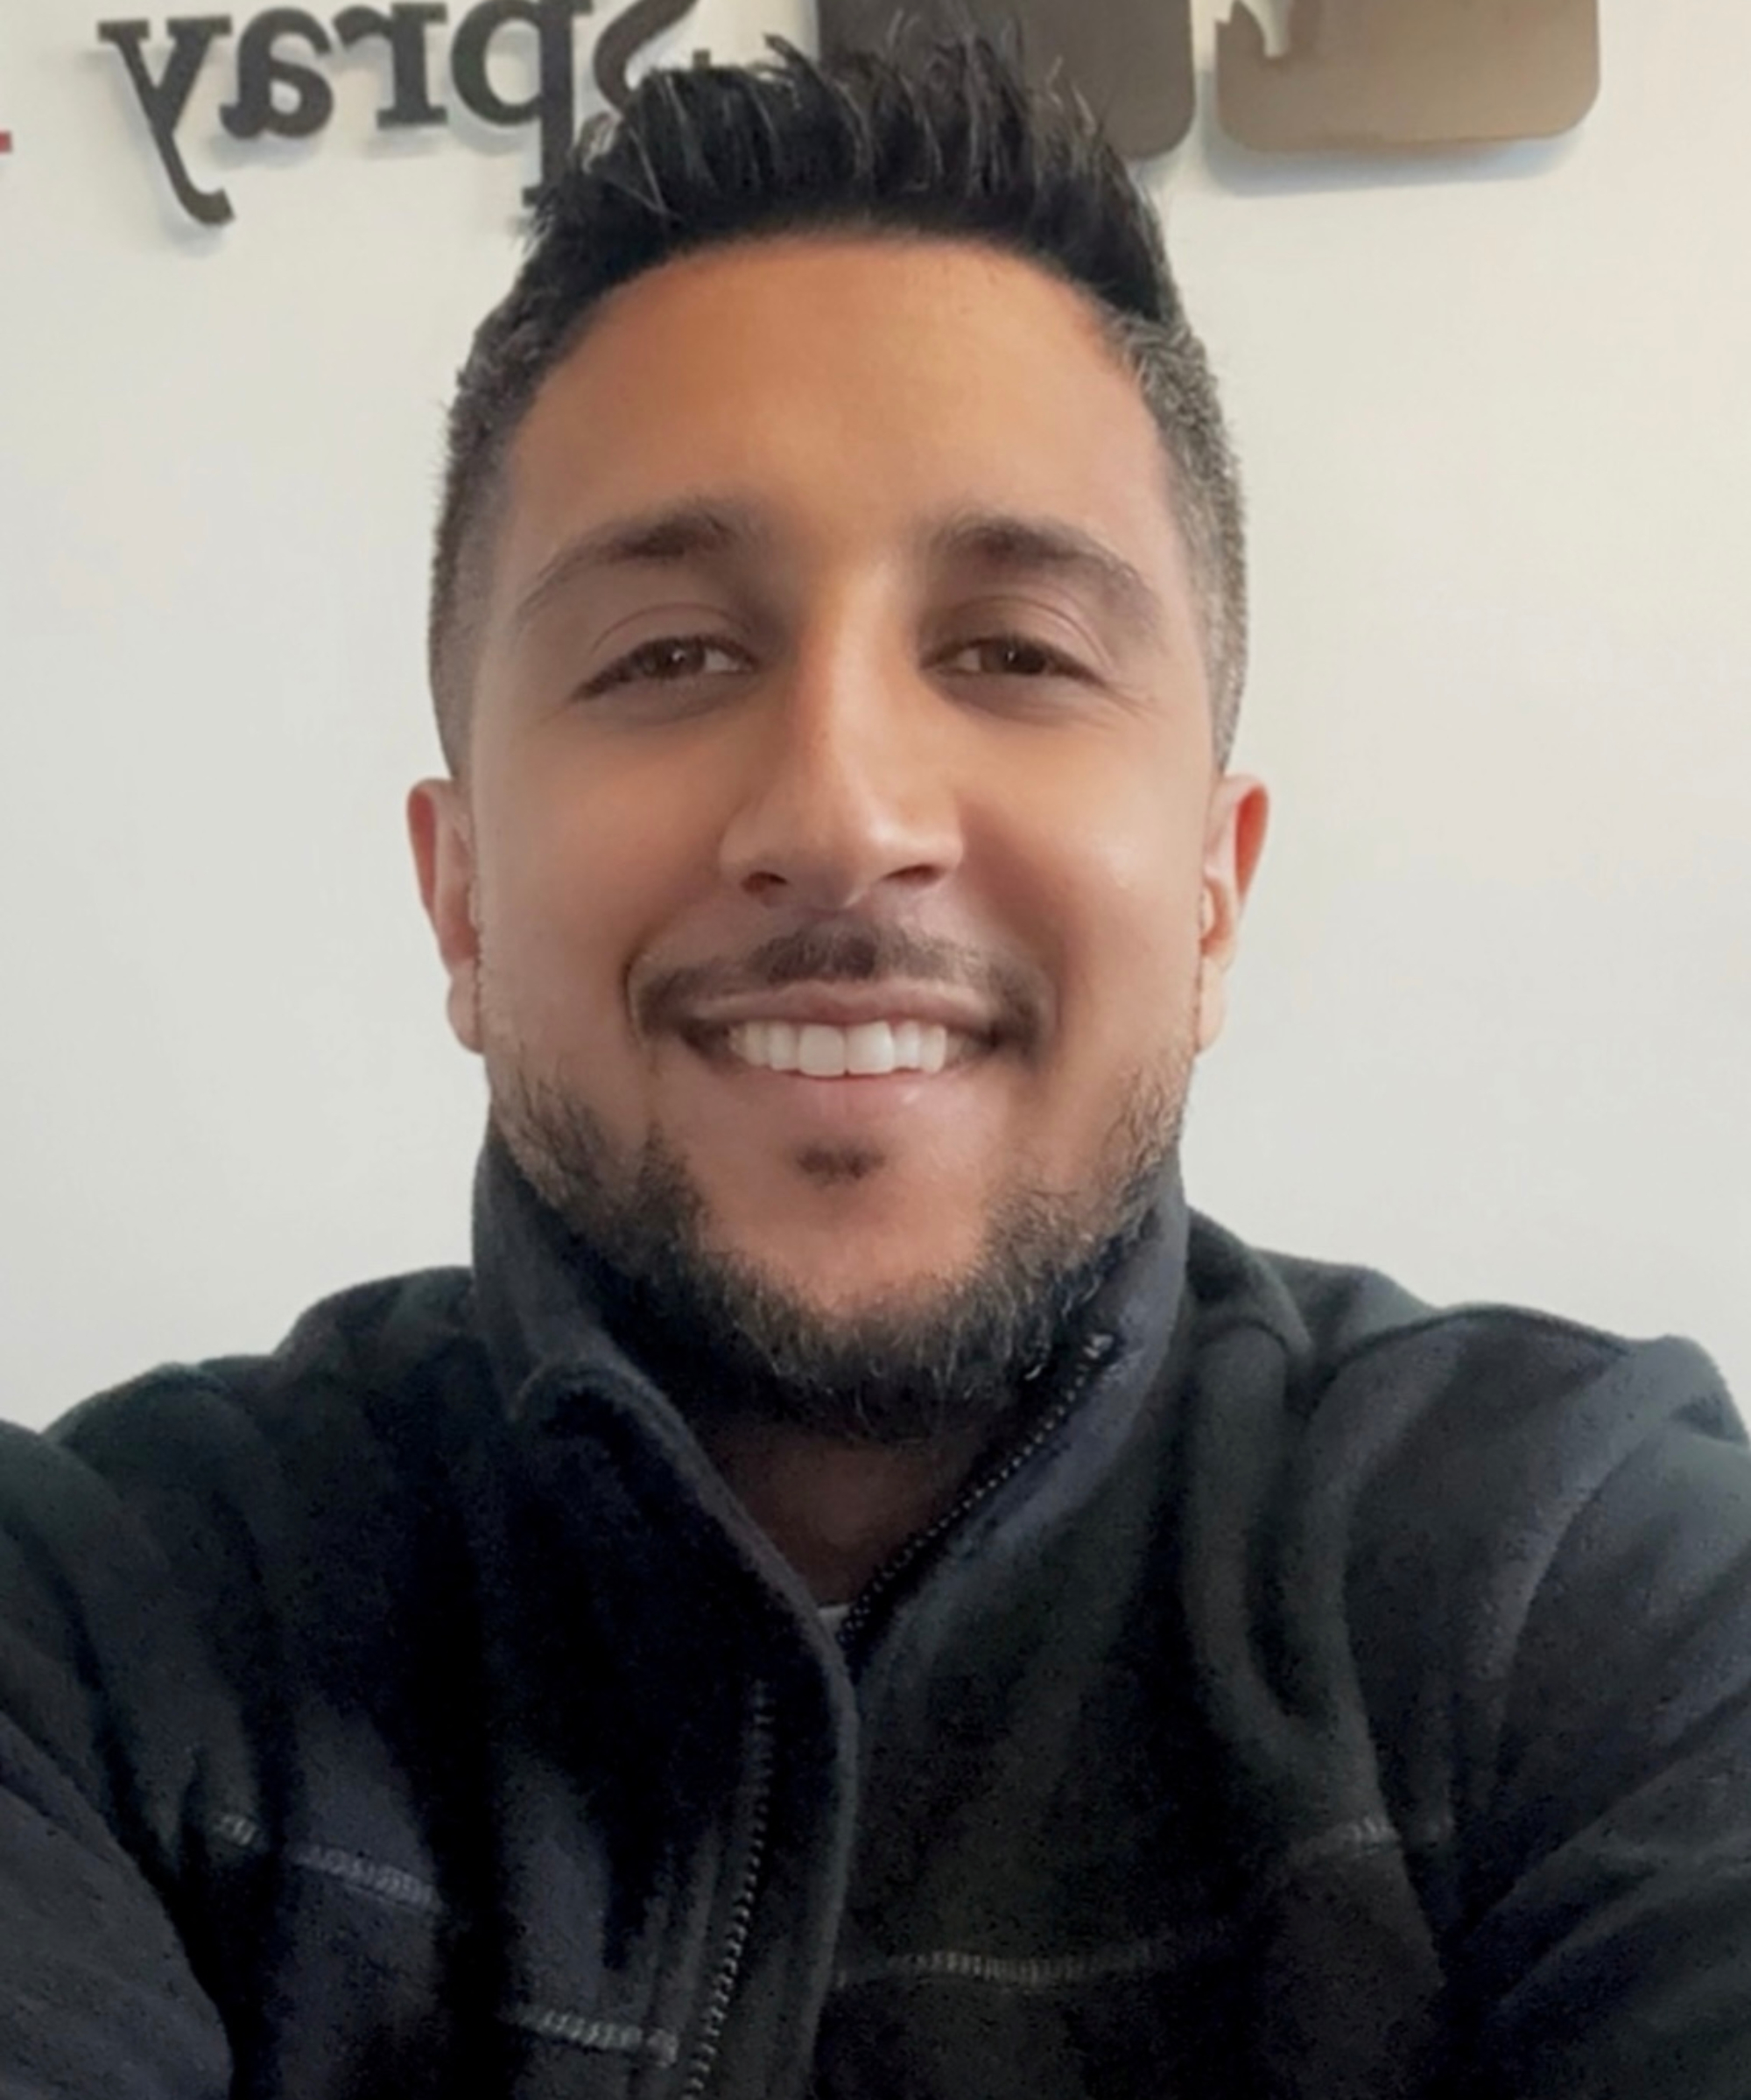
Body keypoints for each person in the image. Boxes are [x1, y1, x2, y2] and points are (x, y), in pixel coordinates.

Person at [3, 34, 1748, 2100]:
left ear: (1211, 892)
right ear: (459, 898)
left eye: (1012, 650)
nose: (837, 812)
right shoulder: (91, 1646)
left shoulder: (1588, 1589)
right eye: (666, 656)